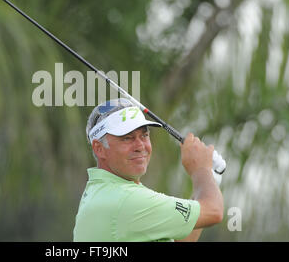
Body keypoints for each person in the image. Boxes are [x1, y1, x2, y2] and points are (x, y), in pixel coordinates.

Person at [73, 98, 224, 242]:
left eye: (144, 135)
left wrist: (211, 178)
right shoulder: (127, 199)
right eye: (127, 138)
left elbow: (179, 239)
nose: (140, 146)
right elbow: (213, 211)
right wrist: (201, 170)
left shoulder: (103, 191)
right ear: (99, 149)